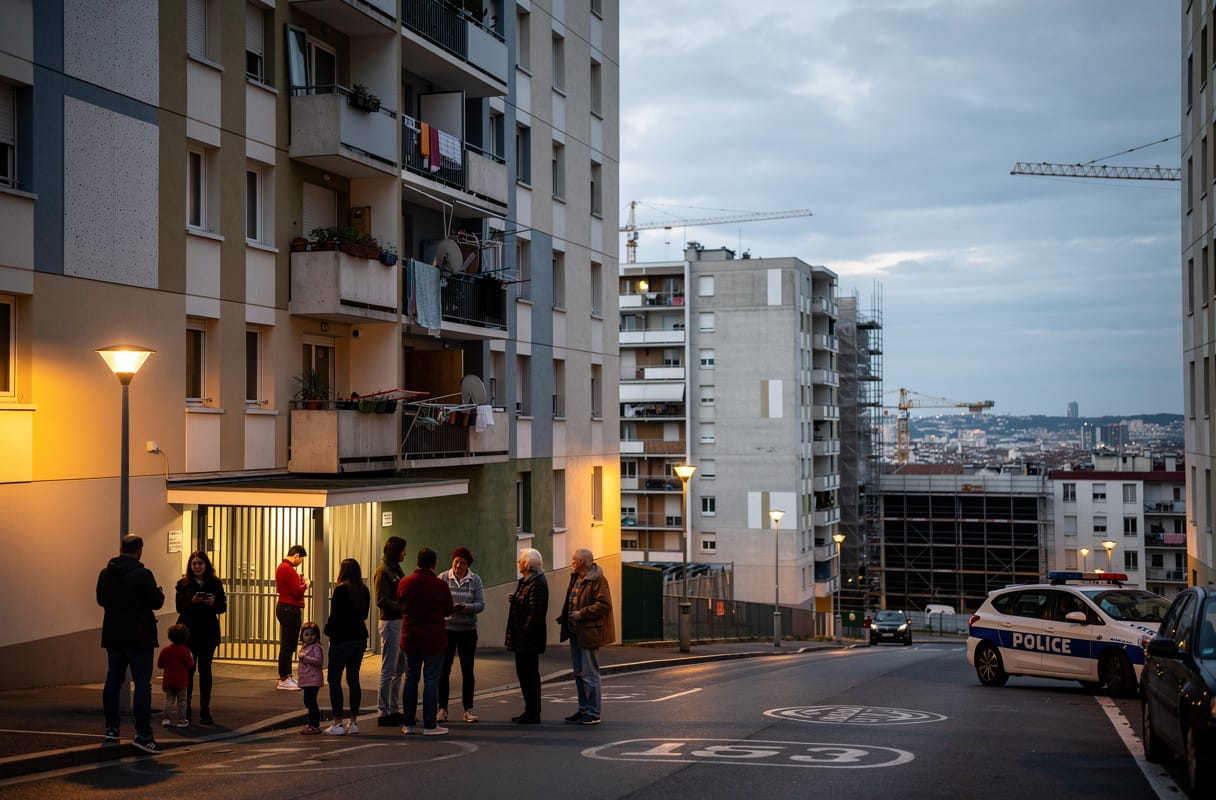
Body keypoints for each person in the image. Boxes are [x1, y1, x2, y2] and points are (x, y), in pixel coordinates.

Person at [96, 533, 165, 753]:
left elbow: (100, 600)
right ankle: (143, 734)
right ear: (139, 550)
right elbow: (157, 602)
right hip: (139, 636)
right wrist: (158, 593)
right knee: (142, 683)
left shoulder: (105, 574)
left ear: (120, 549)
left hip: (114, 636)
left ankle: (111, 730)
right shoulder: (143, 574)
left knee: (112, 682)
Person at [398, 547, 454, 736]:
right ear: (434, 564)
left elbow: (400, 605)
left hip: (410, 636)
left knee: (411, 678)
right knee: (431, 679)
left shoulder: (405, 583)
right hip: (433, 637)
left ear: (417, 561)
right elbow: (448, 610)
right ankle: (430, 724)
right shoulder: (440, 585)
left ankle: (409, 723)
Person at [557, 548, 615, 725]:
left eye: (574, 561)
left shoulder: (598, 580)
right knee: (579, 673)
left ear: (582, 562)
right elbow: (571, 600)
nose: (572, 563)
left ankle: (593, 712)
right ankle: (583, 709)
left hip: (589, 632)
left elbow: (604, 604)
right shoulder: (576, 578)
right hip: (575, 632)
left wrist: (581, 614)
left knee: (590, 674)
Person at [174, 550, 227, 725]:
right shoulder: (183, 584)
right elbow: (180, 607)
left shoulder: (215, 583)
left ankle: (205, 709)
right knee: (188, 671)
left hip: (208, 632)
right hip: (188, 633)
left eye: (200, 563)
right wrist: (193, 602)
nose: (197, 567)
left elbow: (222, 606)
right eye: (194, 564)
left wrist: (213, 604)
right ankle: (186, 709)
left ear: (206, 565)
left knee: (205, 671)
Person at [323, 558, 371, 735]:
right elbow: (365, 615)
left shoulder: (341, 589)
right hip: (360, 636)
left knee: (334, 678)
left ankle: (337, 723)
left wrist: (327, 631)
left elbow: (335, 615)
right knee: (353, 678)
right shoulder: (363, 590)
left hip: (342, 638)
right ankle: (354, 721)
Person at [438, 546, 485, 724]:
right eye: (456, 561)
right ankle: (442, 708)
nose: (458, 565)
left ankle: (468, 708)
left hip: (467, 630)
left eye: (462, 563)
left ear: (468, 565)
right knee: (444, 669)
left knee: (468, 670)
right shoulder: (443, 578)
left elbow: (481, 604)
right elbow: (437, 600)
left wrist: (468, 607)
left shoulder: (475, 580)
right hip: (447, 630)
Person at [505, 548, 548, 724]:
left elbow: (536, 612)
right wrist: (515, 599)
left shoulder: (536, 583)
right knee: (525, 674)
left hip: (528, 638)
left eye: (520, 560)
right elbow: (527, 604)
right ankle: (529, 709)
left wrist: (524, 633)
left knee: (529, 674)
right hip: (523, 637)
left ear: (528, 564)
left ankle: (533, 711)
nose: (518, 563)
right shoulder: (527, 581)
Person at [373, 536, 407, 726]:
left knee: (399, 667)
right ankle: (383, 711)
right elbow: (381, 600)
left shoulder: (395, 569)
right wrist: (404, 607)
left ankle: (394, 708)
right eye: (403, 550)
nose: (405, 553)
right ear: (396, 551)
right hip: (390, 623)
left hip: (399, 621)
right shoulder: (383, 571)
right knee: (388, 668)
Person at [276, 544, 309, 690]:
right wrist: (306, 584)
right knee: (288, 645)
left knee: (288, 644)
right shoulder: (287, 569)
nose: (300, 562)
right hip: (290, 609)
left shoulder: (283, 567)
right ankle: (284, 678)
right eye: (301, 559)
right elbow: (297, 591)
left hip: (285, 607)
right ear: (297, 555)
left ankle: (287, 676)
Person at [157, 624, 194, 728]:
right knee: (182, 701)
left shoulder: (165, 650)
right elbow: (190, 665)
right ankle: (182, 721)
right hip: (181, 681)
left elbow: (160, 664)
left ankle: (166, 719)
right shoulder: (185, 650)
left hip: (168, 680)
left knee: (169, 700)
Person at [298, 621, 324, 735]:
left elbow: (319, 661)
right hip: (307, 679)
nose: (309, 637)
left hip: (313, 680)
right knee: (308, 701)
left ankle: (315, 725)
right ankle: (312, 724)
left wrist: (305, 658)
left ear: (316, 635)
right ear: (302, 636)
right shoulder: (304, 648)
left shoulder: (316, 648)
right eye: (306, 635)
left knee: (311, 702)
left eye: (312, 634)